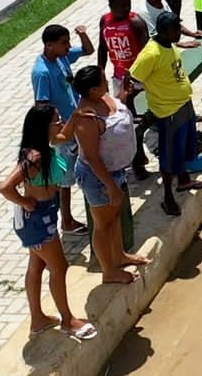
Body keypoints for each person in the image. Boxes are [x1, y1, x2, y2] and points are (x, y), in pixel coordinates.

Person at [0, 103, 96, 341]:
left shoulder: (48, 143)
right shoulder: (35, 156)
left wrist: (74, 116)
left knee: (37, 265)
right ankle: (67, 320)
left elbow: (64, 135)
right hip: (38, 220)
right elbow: (5, 187)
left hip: (43, 216)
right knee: (59, 267)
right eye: (57, 120)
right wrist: (25, 201)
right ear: (45, 126)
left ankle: (38, 319)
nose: (60, 123)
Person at [63, 64, 147, 285]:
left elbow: (115, 116)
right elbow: (91, 156)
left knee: (115, 217)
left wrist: (124, 96)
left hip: (116, 171)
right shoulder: (86, 118)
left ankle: (119, 255)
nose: (107, 81)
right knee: (103, 225)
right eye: (102, 80)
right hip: (98, 178)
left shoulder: (105, 98)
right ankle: (109, 271)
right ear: (92, 90)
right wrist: (110, 186)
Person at [130, 10, 202, 216]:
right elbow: (133, 78)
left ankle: (183, 180)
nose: (179, 32)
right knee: (169, 156)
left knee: (183, 148)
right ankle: (168, 197)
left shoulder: (168, 45)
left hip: (183, 104)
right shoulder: (151, 53)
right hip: (167, 110)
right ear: (165, 31)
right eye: (176, 29)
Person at [31, 23, 94, 236]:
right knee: (65, 179)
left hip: (76, 122)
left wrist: (83, 34)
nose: (68, 46)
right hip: (64, 131)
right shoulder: (41, 72)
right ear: (49, 45)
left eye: (68, 41)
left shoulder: (61, 57)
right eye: (64, 43)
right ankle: (66, 220)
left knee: (86, 164)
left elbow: (88, 50)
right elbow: (42, 106)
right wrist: (56, 133)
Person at [96, 0, 151, 180]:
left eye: (128, 4)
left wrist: (138, 76)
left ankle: (139, 160)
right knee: (129, 121)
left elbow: (147, 53)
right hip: (119, 79)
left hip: (140, 79)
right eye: (121, 6)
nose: (126, 8)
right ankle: (137, 160)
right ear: (111, 6)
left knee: (142, 119)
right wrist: (100, 72)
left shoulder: (135, 22)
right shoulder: (105, 21)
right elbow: (102, 48)